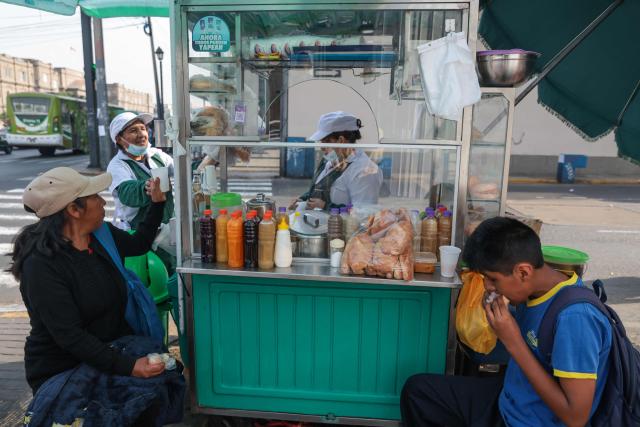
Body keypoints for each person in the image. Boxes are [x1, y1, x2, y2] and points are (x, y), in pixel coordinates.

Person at [9, 167, 182, 424]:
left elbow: (140, 244)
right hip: (64, 366)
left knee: (165, 383)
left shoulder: (101, 235)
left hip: (110, 350)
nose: (103, 202)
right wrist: (130, 366)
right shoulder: (41, 265)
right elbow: (71, 336)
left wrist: (157, 204)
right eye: (95, 197)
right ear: (74, 210)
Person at [401, 217, 612, 427]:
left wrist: (512, 340)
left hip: (530, 420)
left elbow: (576, 417)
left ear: (523, 272)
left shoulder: (576, 319)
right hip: (510, 399)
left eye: (493, 279)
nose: (487, 287)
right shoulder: (535, 288)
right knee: (418, 393)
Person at [107, 111, 175, 272]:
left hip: (166, 231)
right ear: (119, 139)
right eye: (133, 131)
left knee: (172, 273)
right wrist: (147, 187)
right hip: (139, 235)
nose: (141, 134)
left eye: (143, 128)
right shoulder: (117, 166)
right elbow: (127, 192)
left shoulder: (156, 155)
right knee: (152, 278)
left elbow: (181, 169)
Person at [290, 111, 383, 211]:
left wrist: (327, 207)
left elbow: (364, 214)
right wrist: (303, 199)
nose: (322, 148)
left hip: (338, 226)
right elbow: (320, 187)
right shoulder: (331, 160)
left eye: (326, 142)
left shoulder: (364, 171)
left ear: (341, 141)